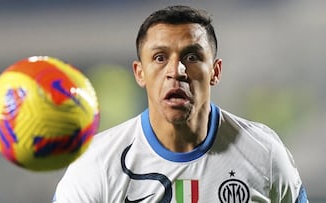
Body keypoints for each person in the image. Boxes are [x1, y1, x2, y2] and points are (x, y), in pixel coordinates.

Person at [53, 5, 308, 202]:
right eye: (160, 57)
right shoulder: (96, 163)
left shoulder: (264, 154)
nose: (176, 70)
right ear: (139, 72)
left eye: (192, 56)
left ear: (215, 72)